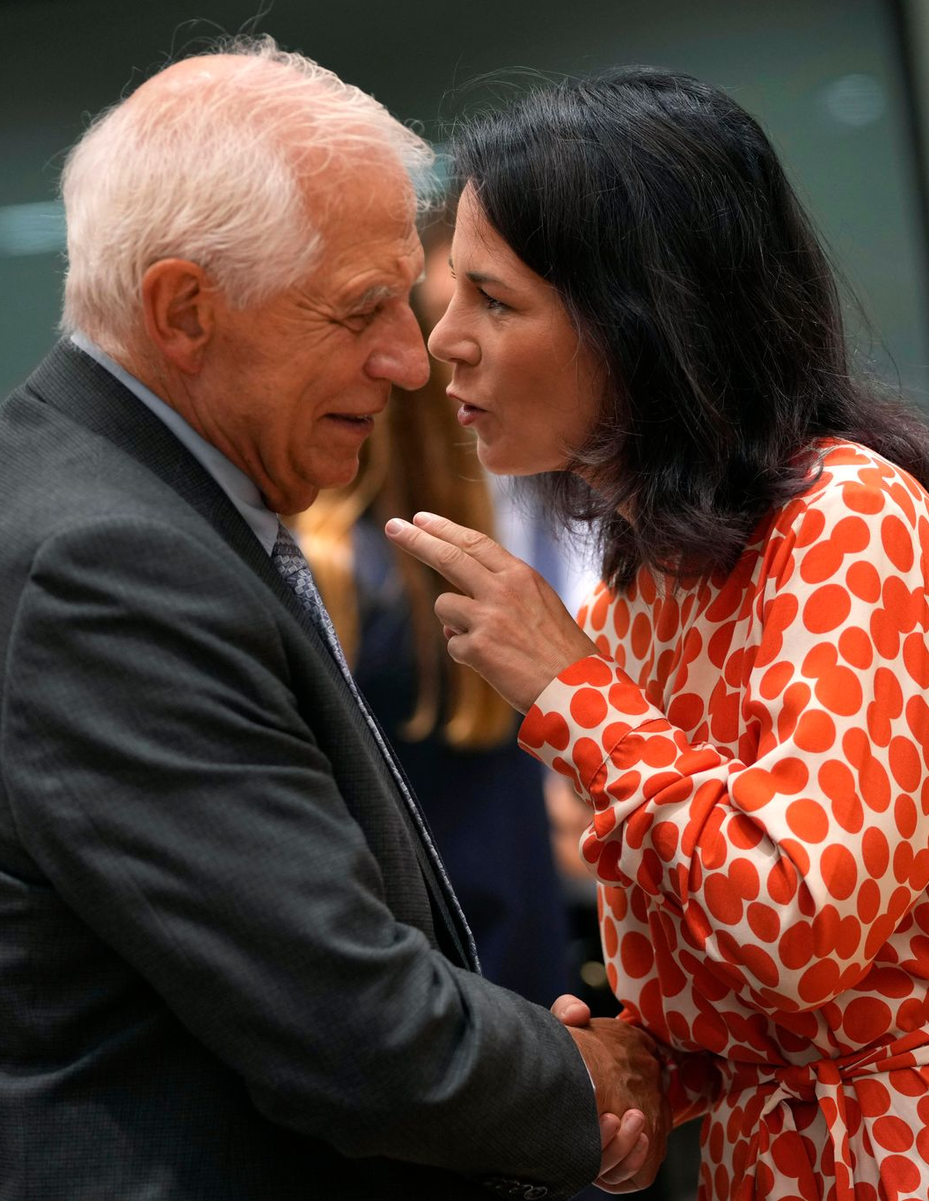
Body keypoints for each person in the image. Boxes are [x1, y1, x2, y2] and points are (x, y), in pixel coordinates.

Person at [387, 67, 929, 1201]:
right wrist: (646, 1070)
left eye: (494, 300)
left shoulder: (850, 520)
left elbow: (797, 930)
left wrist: (577, 694)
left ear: (637, 315)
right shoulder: (644, 588)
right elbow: (746, 998)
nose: (445, 340)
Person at [0, 40, 669, 1200]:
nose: (413, 361)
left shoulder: (131, 508)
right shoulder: (107, 566)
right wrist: (587, 1075)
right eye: (363, 309)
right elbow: (346, 1022)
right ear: (185, 311)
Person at [289, 221, 573, 1008]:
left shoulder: (360, 578)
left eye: (498, 307)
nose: (453, 340)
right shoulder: (365, 578)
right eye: (453, 310)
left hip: (448, 1004)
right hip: (500, 992)